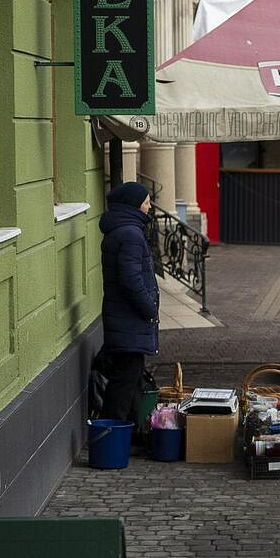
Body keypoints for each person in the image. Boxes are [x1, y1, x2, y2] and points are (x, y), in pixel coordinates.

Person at [99, 181, 160, 444]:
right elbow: (131, 280)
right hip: (129, 320)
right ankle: (111, 437)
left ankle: (133, 435)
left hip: (124, 320)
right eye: (146, 202)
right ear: (134, 205)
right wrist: (150, 308)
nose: (149, 207)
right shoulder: (131, 235)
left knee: (131, 380)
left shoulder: (122, 231)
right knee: (123, 384)